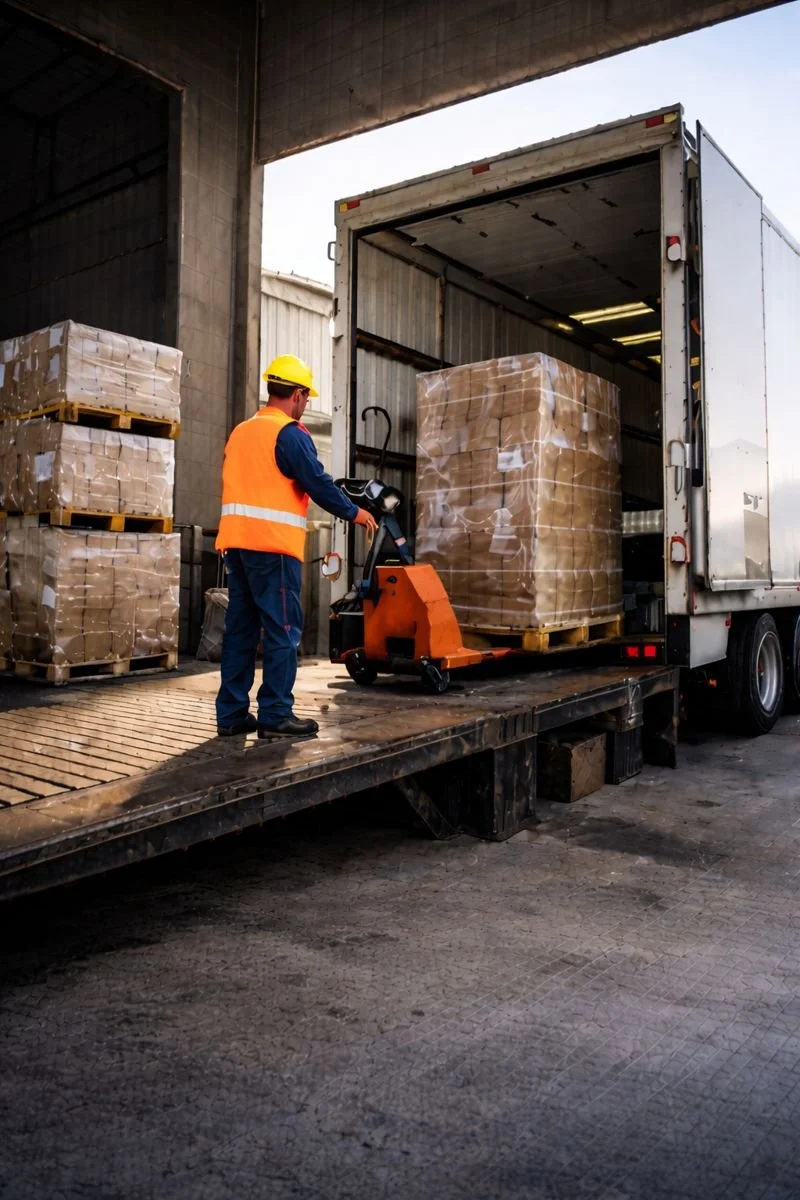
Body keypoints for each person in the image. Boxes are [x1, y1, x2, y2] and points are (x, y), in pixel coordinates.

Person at [215, 354, 377, 738]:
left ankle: (232, 714)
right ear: (299, 395)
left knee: (240, 631)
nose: (306, 406)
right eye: (307, 398)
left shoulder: (241, 431)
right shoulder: (288, 434)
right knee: (282, 630)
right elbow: (317, 483)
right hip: (273, 549)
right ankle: (274, 714)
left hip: (236, 548)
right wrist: (355, 513)